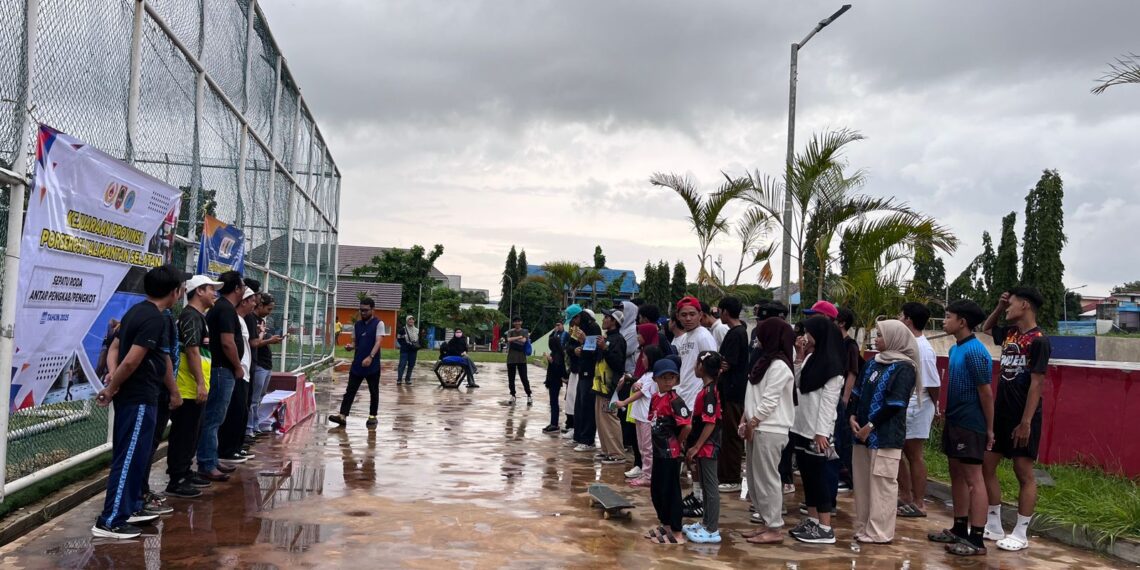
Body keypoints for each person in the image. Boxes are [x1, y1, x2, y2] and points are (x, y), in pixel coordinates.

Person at [92, 264, 186, 539]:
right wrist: (112, 387)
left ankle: (130, 507)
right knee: (129, 458)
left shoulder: (137, 312)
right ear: (174, 292)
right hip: (138, 397)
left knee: (136, 456)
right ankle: (109, 520)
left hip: (138, 396)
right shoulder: (155, 319)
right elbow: (131, 359)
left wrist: (112, 377)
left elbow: (117, 349)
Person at [981, 287, 1051, 552]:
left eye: (1010, 305)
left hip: (1024, 416)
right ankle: (994, 524)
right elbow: (987, 328)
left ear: (1024, 305)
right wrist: (998, 308)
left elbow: (1037, 383)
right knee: (987, 465)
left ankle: (1021, 533)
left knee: (1023, 472)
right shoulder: (1010, 334)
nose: (1007, 308)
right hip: (1002, 412)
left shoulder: (1039, 341)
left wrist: (1026, 422)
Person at [927, 300, 994, 557]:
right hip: (955, 420)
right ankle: (959, 527)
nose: (944, 321)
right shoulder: (957, 349)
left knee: (974, 479)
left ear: (962, 322)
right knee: (955, 473)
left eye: (948, 316)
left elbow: (986, 393)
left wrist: (989, 428)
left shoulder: (976, 352)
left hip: (971, 423)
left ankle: (976, 539)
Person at [846, 319, 918, 544]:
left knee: (882, 484)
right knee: (863, 483)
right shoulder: (872, 362)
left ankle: (880, 532)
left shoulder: (905, 367)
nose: (876, 339)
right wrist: (852, 416)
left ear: (895, 339)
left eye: (880, 335)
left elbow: (896, 403)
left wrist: (871, 426)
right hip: (861, 434)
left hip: (885, 436)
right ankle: (864, 526)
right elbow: (857, 391)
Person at [788, 315, 846, 545]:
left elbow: (829, 404)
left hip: (817, 431)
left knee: (819, 478)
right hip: (801, 427)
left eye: (809, 333)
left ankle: (825, 527)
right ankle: (812, 521)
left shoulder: (833, 368)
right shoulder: (812, 358)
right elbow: (799, 383)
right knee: (808, 477)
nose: (805, 336)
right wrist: (800, 356)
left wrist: (822, 432)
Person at [740, 317, 796, 545]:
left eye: (761, 334)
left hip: (769, 429)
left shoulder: (780, 366)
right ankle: (765, 522)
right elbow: (753, 395)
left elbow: (770, 400)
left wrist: (752, 422)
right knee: (754, 479)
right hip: (756, 426)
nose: (757, 339)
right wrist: (746, 420)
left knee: (767, 479)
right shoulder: (764, 362)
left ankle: (774, 528)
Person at [165, 274, 221, 497]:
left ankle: (185, 471)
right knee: (183, 433)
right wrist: (199, 383)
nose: (214, 293)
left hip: (195, 385)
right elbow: (192, 350)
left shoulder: (199, 317)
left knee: (192, 432)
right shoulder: (190, 317)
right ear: (199, 291)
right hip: (187, 387)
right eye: (210, 289)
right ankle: (177, 478)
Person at [197, 271, 246, 483]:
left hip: (219, 368)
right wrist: (237, 366)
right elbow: (227, 342)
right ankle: (207, 462)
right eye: (243, 286)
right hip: (221, 369)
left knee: (216, 418)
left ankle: (212, 458)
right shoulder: (225, 309)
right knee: (214, 417)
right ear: (237, 288)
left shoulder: (224, 308)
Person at [897, 302, 941, 518]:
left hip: (918, 405)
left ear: (908, 320)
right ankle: (905, 496)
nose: (898, 318)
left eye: (900, 315)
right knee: (898, 452)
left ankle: (919, 502)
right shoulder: (908, 344)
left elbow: (933, 384)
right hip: (906, 405)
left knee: (914, 454)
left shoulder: (922, 349)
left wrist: (935, 408)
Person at [645, 358, 691, 546]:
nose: (668, 381)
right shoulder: (656, 398)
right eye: (664, 378)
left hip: (670, 453)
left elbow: (687, 426)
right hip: (658, 452)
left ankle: (677, 530)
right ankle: (665, 524)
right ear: (656, 379)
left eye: (672, 377)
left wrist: (678, 444)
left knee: (671, 491)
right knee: (657, 489)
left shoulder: (675, 401)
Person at [683, 351, 724, 544]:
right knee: (707, 489)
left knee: (710, 486)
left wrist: (696, 446)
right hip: (703, 444)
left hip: (708, 445)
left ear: (701, 367)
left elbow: (710, 422)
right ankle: (706, 522)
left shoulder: (710, 392)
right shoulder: (707, 389)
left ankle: (712, 529)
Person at [217, 286, 259, 465]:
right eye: (251, 300)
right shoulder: (234, 318)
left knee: (241, 411)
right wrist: (237, 366)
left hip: (245, 372)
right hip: (238, 371)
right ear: (243, 301)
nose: (254, 304)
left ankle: (235, 446)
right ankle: (227, 449)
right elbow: (228, 344)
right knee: (233, 412)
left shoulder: (242, 320)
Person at [328, 298, 383, 428]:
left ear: (372, 310)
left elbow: (378, 342)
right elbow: (355, 342)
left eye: (365, 310)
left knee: (373, 391)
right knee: (350, 390)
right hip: (358, 363)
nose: (363, 313)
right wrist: (350, 346)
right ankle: (342, 416)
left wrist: (370, 357)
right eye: (361, 310)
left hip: (372, 364)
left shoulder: (378, 323)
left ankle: (372, 416)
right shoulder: (357, 325)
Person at [615, 339, 663, 487]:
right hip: (640, 416)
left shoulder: (653, 376)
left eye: (644, 357)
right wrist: (635, 384)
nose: (642, 359)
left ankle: (648, 476)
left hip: (647, 417)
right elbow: (637, 387)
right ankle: (645, 472)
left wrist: (623, 402)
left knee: (647, 448)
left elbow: (641, 392)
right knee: (642, 447)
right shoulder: (646, 375)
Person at [715, 296, 749, 493]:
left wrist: (720, 365)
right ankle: (725, 474)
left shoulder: (737, 334)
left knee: (732, 436)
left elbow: (728, 363)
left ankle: (732, 478)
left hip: (734, 393)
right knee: (726, 435)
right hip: (728, 392)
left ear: (725, 312)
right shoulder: (735, 332)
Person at [671, 296, 718, 409]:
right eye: (683, 315)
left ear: (700, 315)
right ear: (678, 317)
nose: (688, 318)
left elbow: (713, 368)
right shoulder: (684, 338)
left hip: (696, 399)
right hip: (684, 394)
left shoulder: (703, 336)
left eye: (692, 314)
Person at [594, 309, 628, 464]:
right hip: (600, 384)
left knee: (610, 418)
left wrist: (605, 349)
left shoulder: (618, 340)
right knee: (601, 419)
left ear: (614, 322)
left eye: (607, 317)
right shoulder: (607, 337)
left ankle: (617, 453)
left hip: (610, 386)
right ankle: (607, 450)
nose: (604, 319)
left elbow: (618, 363)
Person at [247, 293, 282, 437]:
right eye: (268, 309)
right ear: (259, 305)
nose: (270, 313)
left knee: (260, 396)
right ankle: (250, 428)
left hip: (266, 365)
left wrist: (270, 339)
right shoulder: (251, 320)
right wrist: (268, 341)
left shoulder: (261, 320)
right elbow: (254, 342)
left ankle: (255, 424)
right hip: (259, 364)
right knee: (254, 399)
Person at [834, 306, 861, 495]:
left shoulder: (850, 345)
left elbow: (852, 372)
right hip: (833, 395)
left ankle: (847, 477)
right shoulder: (833, 342)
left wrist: (845, 398)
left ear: (842, 323)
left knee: (843, 439)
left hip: (843, 397)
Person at [572, 309, 602, 452]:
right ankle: (578, 437)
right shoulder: (582, 329)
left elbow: (593, 351)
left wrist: (583, 343)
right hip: (582, 371)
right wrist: (579, 347)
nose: (574, 324)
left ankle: (587, 440)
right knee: (579, 406)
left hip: (590, 373)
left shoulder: (593, 328)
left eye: (575, 320)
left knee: (587, 407)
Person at [561, 304, 584, 438]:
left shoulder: (586, 328)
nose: (572, 324)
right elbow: (568, 346)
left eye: (573, 320)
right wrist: (573, 351)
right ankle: (573, 426)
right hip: (574, 368)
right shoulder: (574, 330)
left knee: (577, 399)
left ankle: (577, 428)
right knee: (571, 398)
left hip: (582, 370)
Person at [543, 322, 567, 433]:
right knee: (552, 402)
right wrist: (555, 330)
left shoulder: (557, 355)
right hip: (552, 381)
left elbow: (558, 369)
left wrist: (551, 361)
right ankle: (553, 422)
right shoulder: (555, 352)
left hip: (555, 381)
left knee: (554, 402)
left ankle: (555, 424)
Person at [505, 316, 533, 405]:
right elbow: (508, 339)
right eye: (515, 322)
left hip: (522, 359)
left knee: (524, 378)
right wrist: (519, 337)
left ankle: (529, 395)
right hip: (511, 359)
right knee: (511, 379)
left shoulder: (525, 331)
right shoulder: (510, 331)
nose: (517, 323)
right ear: (513, 323)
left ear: (521, 322)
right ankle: (513, 395)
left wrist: (514, 339)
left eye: (518, 321)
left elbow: (524, 341)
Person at [396, 315, 421, 385]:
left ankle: (408, 379)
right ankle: (399, 379)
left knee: (411, 365)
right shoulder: (402, 330)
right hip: (404, 350)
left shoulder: (417, 330)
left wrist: (417, 346)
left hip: (413, 351)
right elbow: (399, 338)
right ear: (407, 321)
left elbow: (419, 339)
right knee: (402, 365)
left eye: (412, 320)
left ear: (414, 321)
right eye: (409, 320)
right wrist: (405, 345)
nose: (411, 321)